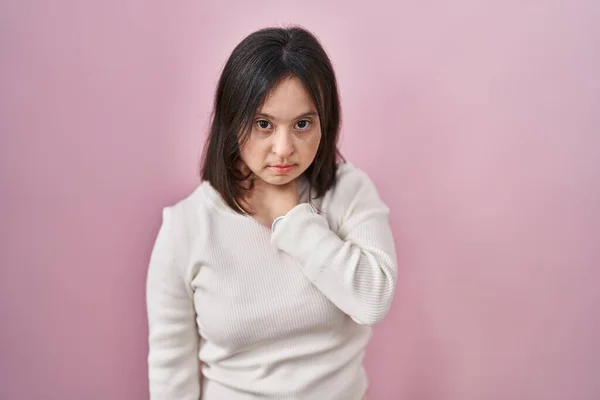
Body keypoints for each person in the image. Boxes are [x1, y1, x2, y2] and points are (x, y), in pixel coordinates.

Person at [146, 25, 398, 400]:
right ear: (232, 123)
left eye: (302, 124)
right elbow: (171, 374)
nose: (284, 149)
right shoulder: (186, 227)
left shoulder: (348, 191)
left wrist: (293, 217)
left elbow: (372, 300)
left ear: (324, 124)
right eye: (264, 124)